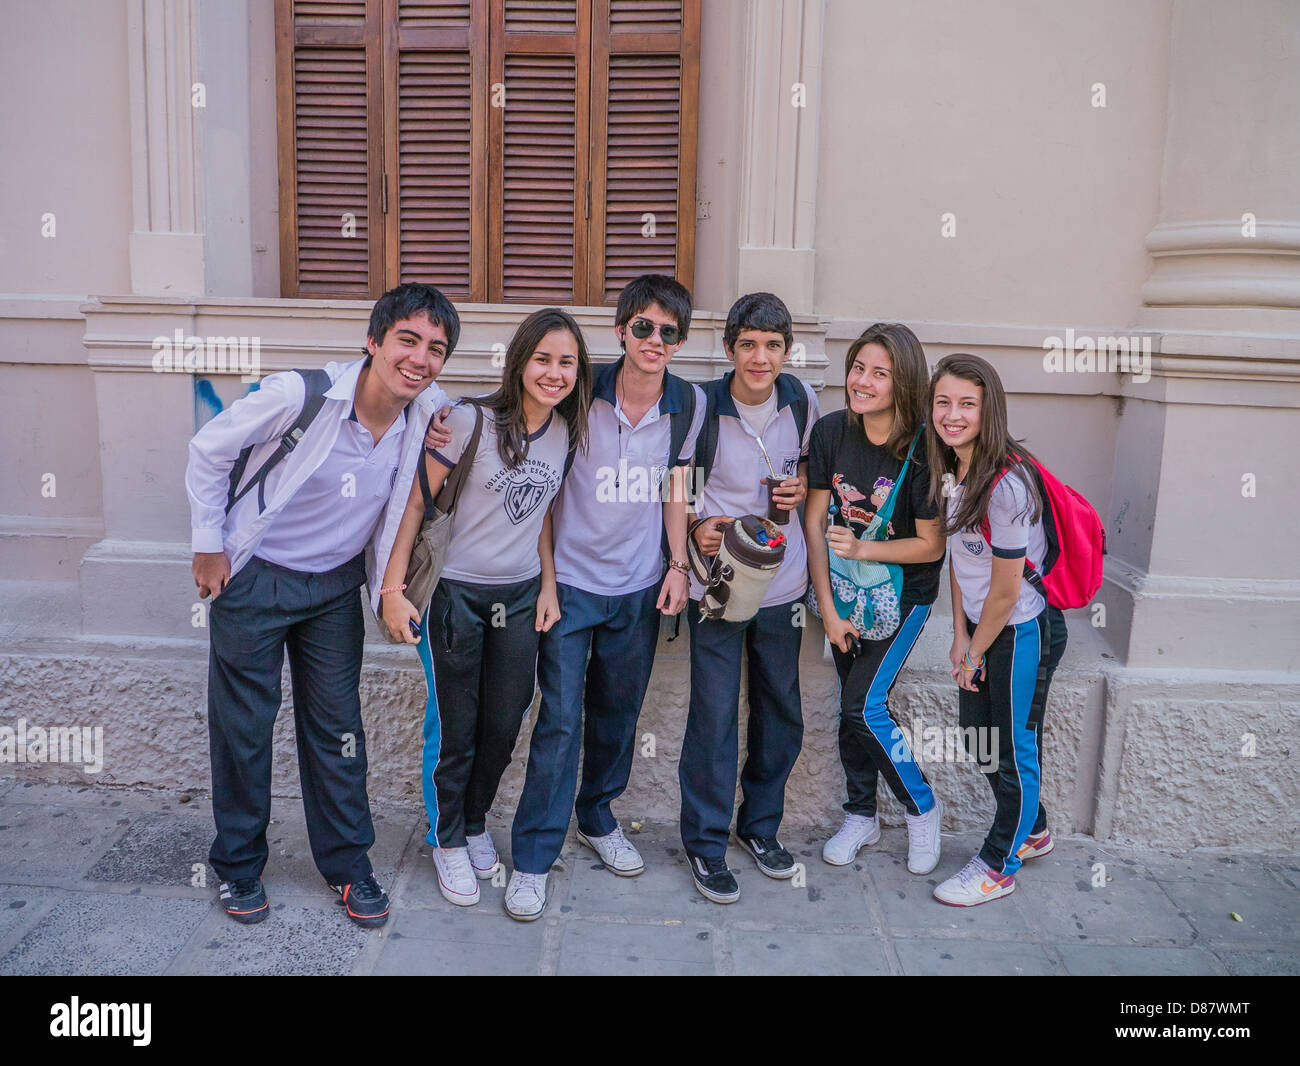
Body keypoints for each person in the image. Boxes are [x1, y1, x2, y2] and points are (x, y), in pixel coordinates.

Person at [186, 282, 459, 928]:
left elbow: (483, 424)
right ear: (374, 341)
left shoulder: (428, 412)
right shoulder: (298, 395)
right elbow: (208, 450)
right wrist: (207, 546)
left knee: (339, 732)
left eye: (437, 349)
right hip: (254, 581)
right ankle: (239, 866)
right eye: (408, 340)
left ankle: (346, 865)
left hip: (334, 589)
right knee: (243, 730)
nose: (420, 359)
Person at [503, 275, 705, 920]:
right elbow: (541, 490)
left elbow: (680, 488)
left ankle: (597, 816)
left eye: (668, 332)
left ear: (679, 341)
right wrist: (548, 583)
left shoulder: (691, 405)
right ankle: (534, 855)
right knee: (560, 719)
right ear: (621, 331)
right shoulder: (579, 391)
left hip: (640, 588)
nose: (654, 340)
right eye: (642, 327)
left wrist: (678, 565)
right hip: (571, 588)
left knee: (620, 713)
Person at [380, 307, 592, 909]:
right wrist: (393, 591)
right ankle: (445, 839)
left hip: (520, 596)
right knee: (455, 725)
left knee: (504, 720)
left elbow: (544, 512)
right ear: (520, 361)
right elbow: (415, 505)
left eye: (567, 362)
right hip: (455, 596)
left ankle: (474, 822)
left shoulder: (563, 433)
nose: (554, 373)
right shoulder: (469, 422)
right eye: (543, 359)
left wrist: (548, 584)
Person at [679, 291, 819, 904]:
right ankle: (706, 846)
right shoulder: (700, 404)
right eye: (748, 345)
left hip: (783, 585)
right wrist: (693, 527)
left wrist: (801, 487)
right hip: (719, 584)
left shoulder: (802, 401)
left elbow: (813, 471)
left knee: (780, 709)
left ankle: (759, 828)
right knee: (713, 717)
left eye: (772, 345)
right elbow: (674, 483)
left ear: (787, 351)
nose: (760, 358)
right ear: (730, 348)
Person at [804, 323, 947, 875]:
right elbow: (815, 521)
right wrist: (830, 609)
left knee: (863, 706)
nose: (862, 381)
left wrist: (864, 547)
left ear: (903, 382)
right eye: (858, 367)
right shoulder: (832, 431)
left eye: (879, 374)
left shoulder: (923, 450)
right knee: (852, 710)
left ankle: (921, 807)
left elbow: (932, 544)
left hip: (903, 596)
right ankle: (861, 814)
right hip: (843, 592)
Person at [926, 352, 1066, 906]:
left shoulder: (1006, 484)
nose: (952, 414)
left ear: (990, 411)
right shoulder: (953, 469)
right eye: (943, 402)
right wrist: (960, 636)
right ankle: (1032, 830)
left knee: (1013, 749)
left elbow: (1007, 591)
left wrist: (976, 652)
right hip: (983, 632)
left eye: (967, 404)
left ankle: (997, 866)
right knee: (979, 741)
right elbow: (964, 562)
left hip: (1022, 633)